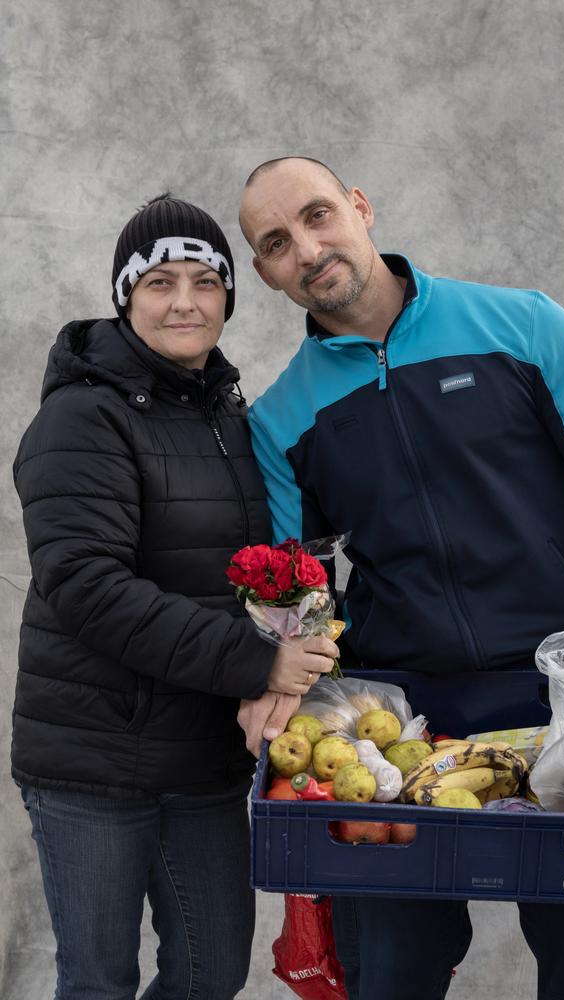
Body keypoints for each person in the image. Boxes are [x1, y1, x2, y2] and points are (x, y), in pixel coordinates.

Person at [235, 156, 564, 1000]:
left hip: (559, 696)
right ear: (266, 273)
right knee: (389, 972)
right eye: (278, 243)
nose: (308, 249)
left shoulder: (522, 326)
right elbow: (300, 592)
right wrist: (279, 684)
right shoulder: (282, 419)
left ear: (361, 205)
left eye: (318, 216)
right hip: (397, 723)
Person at [12, 193, 338, 1000]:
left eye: (204, 280)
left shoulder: (226, 416)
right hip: (95, 758)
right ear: (126, 296)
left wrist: (310, 630)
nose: (185, 301)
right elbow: (86, 587)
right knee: (98, 980)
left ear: (230, 294)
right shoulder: (82, 418)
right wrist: (261, 661)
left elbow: (264, 569)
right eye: (159, 282)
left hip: (201, 755)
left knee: (211, 969)